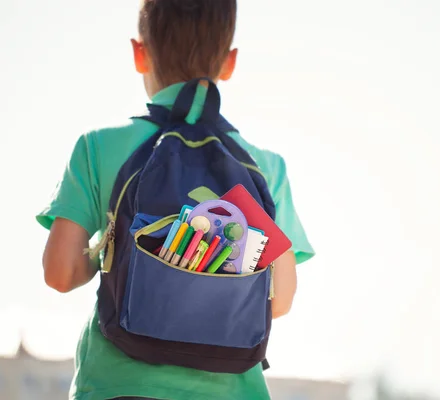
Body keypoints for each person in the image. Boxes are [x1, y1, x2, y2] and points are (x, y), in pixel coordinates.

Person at [36, 1, 314, 399]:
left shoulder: (98, 147)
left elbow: (60, 273)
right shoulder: (266, 166)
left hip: (117, 386)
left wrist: (111, 251)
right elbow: (280, 299)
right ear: (229, 63)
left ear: (139, 53)